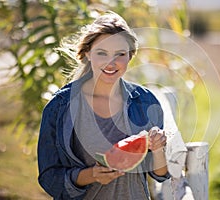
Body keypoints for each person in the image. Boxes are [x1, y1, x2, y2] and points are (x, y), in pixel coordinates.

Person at [37, 11, 170, 200]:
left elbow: (160, 173)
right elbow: (49, 177)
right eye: (102, 53)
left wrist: (158, 149)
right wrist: (89, 175)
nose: (111, 62)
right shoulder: (60, 107)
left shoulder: (145, 101)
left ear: (130, 56)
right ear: (88, 53)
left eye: (120, 54)